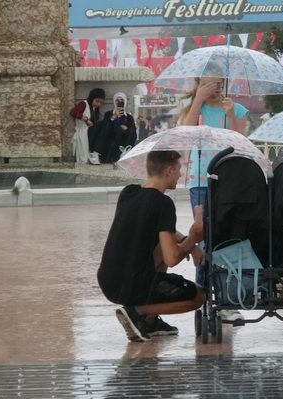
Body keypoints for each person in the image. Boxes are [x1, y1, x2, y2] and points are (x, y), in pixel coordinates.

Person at [97, 150, 206, 342]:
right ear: (169, 171)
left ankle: (150, 321)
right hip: (132, 285)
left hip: (108, 281)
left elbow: (155, 228)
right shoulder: (163, 204)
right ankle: (137, 312)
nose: (181, 175)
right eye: (179, 169)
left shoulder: (129, 193)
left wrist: (187, 243)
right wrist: (194, 237)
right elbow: (172, 258)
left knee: (159, 246)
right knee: (199, 296)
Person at [178, 77, 249, 322]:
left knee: (228, 239)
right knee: (204, 237)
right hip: (200, 181)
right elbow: (185, 135)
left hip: (229, 180)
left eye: (218, 83)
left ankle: (228, 300)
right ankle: (203, 298)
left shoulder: (235, 108)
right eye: (207, 83)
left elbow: (242, 143)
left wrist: (230, 114)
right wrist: (198, 99)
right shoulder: (193, 108)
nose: (213, 88)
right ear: (198, 82)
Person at [88, 92, 137, 163]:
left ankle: (125, 152)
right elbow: (106, 127)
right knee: (103, 125)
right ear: (114, 102)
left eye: (122, 100)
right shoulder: (108, 114)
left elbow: (133, 132)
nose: (119, 102)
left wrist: (126, 128)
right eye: (117, 100)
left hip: (123, 140)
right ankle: (96, 153)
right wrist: (114, 117)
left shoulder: (129, 117)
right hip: (110, 138)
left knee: (132, 130)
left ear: (125, 102)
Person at [70, 88, 105, 165]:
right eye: (97, 101)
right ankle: (94, 152)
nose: (99, 104)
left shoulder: (95, 109)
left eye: (101, 102)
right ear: (92, 98)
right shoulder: (84, 104)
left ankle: (95, 153)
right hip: (83, 130)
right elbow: (73, 112)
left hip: (90, 131)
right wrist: (85, 119)